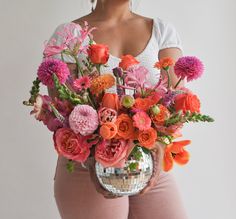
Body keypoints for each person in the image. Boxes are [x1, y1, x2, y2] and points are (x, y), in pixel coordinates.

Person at [47, 0, 188, 218]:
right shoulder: (68, 34)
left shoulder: (161, 30)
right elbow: (60, 110)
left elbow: (177, 102)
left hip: (148, 163)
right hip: (86, 167)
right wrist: (92, 158)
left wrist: (159, 143)